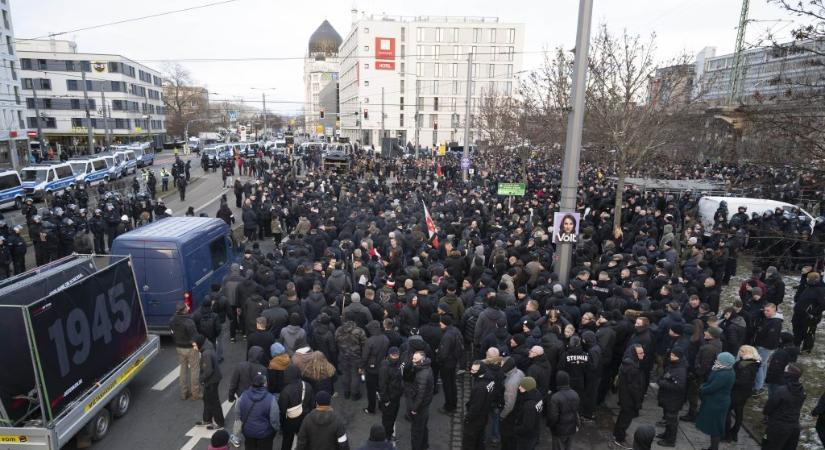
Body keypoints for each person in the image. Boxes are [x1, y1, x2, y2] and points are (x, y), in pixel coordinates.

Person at [227, 346, 267, 447]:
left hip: (242, 397)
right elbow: (265, 386)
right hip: (258, 398)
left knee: (238, 418)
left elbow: (233, 383)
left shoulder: (240, 366)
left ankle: (235, 437)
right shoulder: (263, 369)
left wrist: (231, 396)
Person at [695, 352, 736, 450]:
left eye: (719, 359)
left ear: (724, 362)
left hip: (717, 403)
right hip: (715, 401)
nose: (716, 361)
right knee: (714, 426)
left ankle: (714, 448)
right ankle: (712, 447)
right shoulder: (723, 369)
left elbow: (712, 387)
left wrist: (701, 388)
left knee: (715, 428)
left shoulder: (725, 374)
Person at [762, 363, 806, 450]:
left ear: (789, 374)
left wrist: (767, 414)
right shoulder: (802, 391)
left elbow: (769, 408)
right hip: (794, 427)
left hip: (778, 427)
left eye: (785, 370)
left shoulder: (781, 390)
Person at [723, 345, 760, 443]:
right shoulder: (754, 363)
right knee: (739, 412)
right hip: (745, 393)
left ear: (747, 353)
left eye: (742, 351)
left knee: (726, 411)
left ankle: (727, 435)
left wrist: (729, 379)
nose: (739, 352)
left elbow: (741, 381)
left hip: (737, 392)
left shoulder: (743, 365)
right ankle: (734, 433)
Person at [612, 344, 645, 448]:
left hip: (624, 396)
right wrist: (638, 402)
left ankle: (617, 433)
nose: (643, 355)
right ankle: (619, 438)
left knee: (623, 416)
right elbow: (634, 389)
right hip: (629, 398)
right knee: (625, 419)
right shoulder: (633, 368)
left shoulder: (627, 363)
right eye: (640, 353)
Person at [237, 374, 280, 450]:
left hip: (248, 432)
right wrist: (276, 429)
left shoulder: (243, 395)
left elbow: (237, 413)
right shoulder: (271, 399)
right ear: (264, 384)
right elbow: (274, 420)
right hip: (265, 434)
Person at [169, 302, 201, 400]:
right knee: (195, 370)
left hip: (179, 347)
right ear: (184, 310)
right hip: (190, 348)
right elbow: (195, 336)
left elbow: (171, 332)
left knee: (183, 370)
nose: (188, 307)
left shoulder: (172, 320)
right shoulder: (189, 322)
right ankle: (195, 393)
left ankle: (184, 393)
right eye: (187, 307)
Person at [656, 348, 687, 447]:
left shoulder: (680, 370)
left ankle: (670, 441)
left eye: (674, 356)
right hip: (668, 398)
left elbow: (679, 386)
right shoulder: (674, 365)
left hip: (674, 400)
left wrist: (662, 383)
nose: (671, 357)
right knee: (668, 419)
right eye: (671, 355)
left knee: (672, 420)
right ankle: (666, 434)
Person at [279, 365, 314, 450]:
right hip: (305, 419)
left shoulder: (285, 391)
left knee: (287, 441)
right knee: (304, 441)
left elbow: (282, 410)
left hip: (290, 421)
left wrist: (282, 425)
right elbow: (312, 404)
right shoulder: (307, 386)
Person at [194, 334, 224, 430]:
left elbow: (208, 370)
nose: (194, 347)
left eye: (194, 345)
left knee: (214, 402)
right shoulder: (208, 346)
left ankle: (219, 423)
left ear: (199, 343)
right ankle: (207, 419)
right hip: (213, 379)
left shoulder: (206, 353)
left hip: (211, 381)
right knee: (207, 399)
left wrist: (201, 379)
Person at [405, 350, 434, 450]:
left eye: (415, 359)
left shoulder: (422, 375)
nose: (413, 361)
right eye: (413, 358)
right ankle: (424, 446)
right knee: (423, 428)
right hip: (425, 405)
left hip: (421, 407)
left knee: (416, 432)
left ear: (422, 361)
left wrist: (414, 408)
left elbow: (420, 395)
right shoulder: (425, 367)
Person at [437, 315, 464, 414]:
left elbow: (443, 354)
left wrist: (438, 356)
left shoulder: (447, 336)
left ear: (445, 323)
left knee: (447, 386)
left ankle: (449, 407)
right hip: (454, 361)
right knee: (452, 384)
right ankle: (453, 404)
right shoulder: (455, 330)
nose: (439, 324)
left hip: (447, 364)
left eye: (441, 323)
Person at [546, 370, 579, 450]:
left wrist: (550, 425)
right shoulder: (575, 394)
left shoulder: (555, 397)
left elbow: (553, 417)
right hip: (572, 429)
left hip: (559, 431)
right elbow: (576, 411)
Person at [363, 320, 390, 415]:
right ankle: (381, 406)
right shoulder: (386, 338)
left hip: (371, 370)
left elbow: (365, 357)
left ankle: (371, 408)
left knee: (371, 390)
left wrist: (362, 367)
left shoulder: (369, 341)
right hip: (382, 367)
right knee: (381, 388)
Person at [379, 347, 404, 443]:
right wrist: (385, 400)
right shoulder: (385, 367)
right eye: (393, 355)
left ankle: (388, 435)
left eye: (397, 355)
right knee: (387, 420)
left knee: (392, 417)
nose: (395, 357)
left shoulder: (397, 364)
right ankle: (386, 438)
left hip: (396, 397)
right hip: (389, 399)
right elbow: (382, 385)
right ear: (389, 355)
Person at [513, 376, 543, 450]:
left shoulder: (529, 405)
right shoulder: (538, 395)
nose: (519, 387)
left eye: (522, 386)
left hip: (526, 437)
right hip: (535, 431)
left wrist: (515, 429)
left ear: (528, 388)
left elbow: (527, 426)